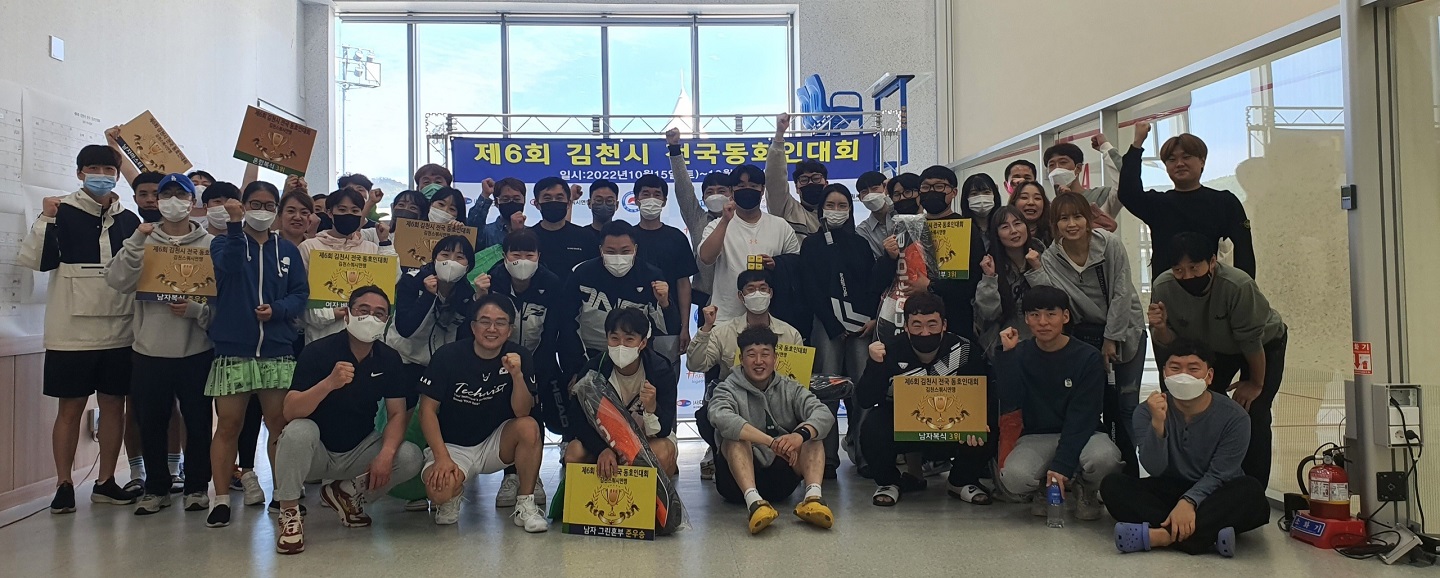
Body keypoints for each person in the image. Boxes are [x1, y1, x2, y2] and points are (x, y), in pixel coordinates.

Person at [18, 144, 143, 513]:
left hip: (120, 331)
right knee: (69, 409)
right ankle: (64, 484)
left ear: (117, 175)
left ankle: (106, 481)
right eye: (93, 168)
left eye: (109, 169)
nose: (101, 175)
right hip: (69, 333)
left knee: (114, 407)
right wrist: (46, 218)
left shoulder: (129, 220)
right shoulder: (61, 212)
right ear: (79, 173)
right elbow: (37, 262)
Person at [271, 286, 423, 554]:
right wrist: (328, 383)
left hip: (359, 449)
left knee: (410, 456)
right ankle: (289, 512)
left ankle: (347, 492)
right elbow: (290, 411)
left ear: (386, 320)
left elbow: (397, 413)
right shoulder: (318, 351)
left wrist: (386, 454)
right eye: (363, 310)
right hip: (315, 452)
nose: (370, 318)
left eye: (379, 313)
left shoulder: (389, 358)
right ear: (348, 314)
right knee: (298, 430)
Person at [105, 173, 217, 515]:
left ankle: (197, 486)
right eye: (165, 195)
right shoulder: (143, 239)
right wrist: (137, 240)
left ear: (192, 202)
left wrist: (198, 311)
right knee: (150, 422)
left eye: (180, 195)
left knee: (198, 422)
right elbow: (118, 280)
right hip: (149, 350)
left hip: (197, 350)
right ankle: (156, 488)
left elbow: (223, 298)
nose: (172, 202)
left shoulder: (210, 244)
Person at [204, 181, 309, 528]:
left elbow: (300, 293)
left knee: (279, 424)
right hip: (234, 349)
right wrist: (235, 226)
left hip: (277, 350)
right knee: (228, 425)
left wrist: (277, 310)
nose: (261, 211)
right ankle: (220, 498)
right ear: (243, 205)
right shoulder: (223, 242)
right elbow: (230, 267)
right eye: (255, 204)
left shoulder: (288, 250)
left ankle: (283, 493)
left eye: (268, 205)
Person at [1104, 340, 1268, 557]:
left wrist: (1189, 501)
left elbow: (1221, 473)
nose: (1183, 375)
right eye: (1175, 368)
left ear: (1209, 376)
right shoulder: (1146, 412)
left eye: (1193, 369)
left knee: (1251, 492)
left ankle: (1162, 536)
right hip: (1170, 485)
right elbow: (1154, 468)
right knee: (1113, 485)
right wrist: (1158, 425)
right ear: (1164, 373)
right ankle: (1207, 535)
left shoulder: (1235, 417)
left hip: (1215, 491)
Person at [1148, 232, 1286, 484]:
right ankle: (1205, 482)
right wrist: (1160, 328)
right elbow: (1175, 345)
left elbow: (1251, 341)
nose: (1187, 276)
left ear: (1212, 262)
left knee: (1253, 410)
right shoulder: (1163, 287)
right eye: (1178, 270)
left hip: (1261, 345)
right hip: (1210, 349)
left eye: (1194, 267)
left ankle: (1252, 489)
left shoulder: (1237, 285)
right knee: (1199, 408)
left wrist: (1255, 384)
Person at [1038, 193, 1147, 476]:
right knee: (1093, 404)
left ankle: (1129, 472)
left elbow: (1122, 292)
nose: (1072, 224)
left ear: (1088, 219)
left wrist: (1112, 338)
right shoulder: (1050, 258)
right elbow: (1059, 301)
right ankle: (1100, 472)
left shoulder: (1109, 244)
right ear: (1054, 224)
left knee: (1126, 405)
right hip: (1085, 338)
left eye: (1078, 217)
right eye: (1064, 218)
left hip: (1126, 329)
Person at [418, 295, 548, 531]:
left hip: (495, 444)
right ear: (473, 326)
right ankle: (453, 495)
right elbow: (427, 411)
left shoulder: (520, 356)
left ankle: (525, 504)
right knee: (439, 492)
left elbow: (521, 411)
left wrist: (517, 375)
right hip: (453, 447)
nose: (492, 329)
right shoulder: (448, 356)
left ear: (510, 330)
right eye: (485, 321)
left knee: (529, 426)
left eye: (500, 323)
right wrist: (442, 457)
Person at [995, 286, 1123, 521]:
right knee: (1014, 476)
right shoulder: (1019, 353)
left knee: (1105, 459)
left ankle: (1086, 488)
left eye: (1051, 314)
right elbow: (1010, 399)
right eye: (1035, 315)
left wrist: (1062, 465)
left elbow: (1082, 416)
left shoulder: (1087, 357)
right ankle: (1043, 489)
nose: (1043, 322)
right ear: (1026, 319)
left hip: (1086, 433)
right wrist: (1008, 355)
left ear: (1065, 316)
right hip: (1037, 435)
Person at [858, 293, 992, 506]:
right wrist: (875, 365)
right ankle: (889, 482)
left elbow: (983, 394)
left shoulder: (965, 350)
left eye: (932, 324)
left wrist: (978, 420)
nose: (925, 332)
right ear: (906, 326)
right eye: (917, 325)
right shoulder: (889, 350)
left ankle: (960, 481)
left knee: (989, 425)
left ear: (944, 324)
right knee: (872, 426)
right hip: (904, 428)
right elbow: (865, 399)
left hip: (952, 425)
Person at [706, 326, 835, 534]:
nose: (759, 361)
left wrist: (798, 435)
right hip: (736, 486)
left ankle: (813, 498)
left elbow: (823, 413)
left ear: (775, 358)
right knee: (734, 438)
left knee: (812, 434)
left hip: (782, 477)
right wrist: (771, 442)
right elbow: (720, 417)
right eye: (751, 355)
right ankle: (755, 504)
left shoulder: (790, 387)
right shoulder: (726, 388)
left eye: (765, 354)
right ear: (741, 359)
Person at [1118, 121, 1255, 281]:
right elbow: (1128, 193)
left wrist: (1244, 288)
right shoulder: (1158, 204)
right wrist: (1137, 145)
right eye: (1171, 159)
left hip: (1213, 290)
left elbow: (1244, 251)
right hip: (1167, 291)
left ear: (1202, 161)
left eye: (1186, 157)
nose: (1179, 164)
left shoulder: (1224, 202)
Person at [564, 308, 680, 476]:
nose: (621, 345)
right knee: (574, 453)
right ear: (607, 339)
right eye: (614, 338)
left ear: (643, 343)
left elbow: (664, 430)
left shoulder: (660, 370)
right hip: (605, 441)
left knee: (662, 452)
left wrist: (652, 408)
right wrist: (601, 449)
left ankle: (652, 494)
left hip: (647, 440)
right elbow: (577, 420)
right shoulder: (593, 371)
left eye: (629, 339)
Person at [554, 220, 670, 383]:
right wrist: (575, 369)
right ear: (601, 250)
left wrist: (665, 303)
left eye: (625, 251)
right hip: (589, 356)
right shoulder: (581, 273)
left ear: (635, 249)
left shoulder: (651, 276)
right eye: (611, 251)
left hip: (635, 358)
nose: (618, 257)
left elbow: (666, 327)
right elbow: (567, 323)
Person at [697, 164, 801, 323]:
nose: (747, 190)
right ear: (731, 191)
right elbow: (706, 258)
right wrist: (725, 220)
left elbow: (796, 264)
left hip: (771, 319)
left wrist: (777, 264)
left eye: (753, 186)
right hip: (726, 318)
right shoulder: (716, 225)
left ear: (762, 190)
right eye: (741, 186)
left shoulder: (780, 226)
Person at [297, 188, 396, 343]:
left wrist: (385, 243)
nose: (348, 214)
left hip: (365, 339)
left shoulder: (371, 248)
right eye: (342, 210)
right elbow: (301, 298)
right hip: (322, 339)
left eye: (355, 210)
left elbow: (391, 280)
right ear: (330, 213)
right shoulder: (309, 247)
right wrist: (331, 314)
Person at [686, 270, 805, 381]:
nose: (757, 294)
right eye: (751, 289)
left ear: (770, 293)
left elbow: (798, 380)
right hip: (733, 394)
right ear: (741, 296)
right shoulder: (722, 333)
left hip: (779, 395)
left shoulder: (791, 335)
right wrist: (706, 328)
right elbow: (696, 365)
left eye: (763, 289)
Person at [631, 173, 699, 367]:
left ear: (664, 201)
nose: (651, 199)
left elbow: (683, 284)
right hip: (631, 323)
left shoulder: (676, 237)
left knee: (666, 377)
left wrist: (684, 327)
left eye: (657, 194)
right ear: (636, 200)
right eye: (646, 194)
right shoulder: (628, 238)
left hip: (669, 323)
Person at [975, 206, 1047, 360]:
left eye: (1018, 223)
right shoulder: (990, 264)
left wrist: (1037, 269)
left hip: (1042, 345)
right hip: (1003, 348)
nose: (1014, 231)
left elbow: (1051, 302)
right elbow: (988, 314)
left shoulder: (1044, 257)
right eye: (1005, 227)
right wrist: (989, 278)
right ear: (996, 234)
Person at [665, 127, 724, 310]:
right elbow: (684, 189)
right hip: (705, 298)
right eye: (710, 192)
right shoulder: (698, 218)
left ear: (732, 193)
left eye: (721, 191)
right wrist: (675, 149)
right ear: (703, 198)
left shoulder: (742, 220)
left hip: (737, 297)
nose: (715, 195)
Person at [1042, 136, 1125, 232]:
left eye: (1063, 162)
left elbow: (1125, 181)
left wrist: (1105, 147)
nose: (1057, 168)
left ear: (1078, 168)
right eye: (1051, 165)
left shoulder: (1101, 196)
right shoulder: (1049, 208)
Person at [530, 176, 599, 285]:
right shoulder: (528, 238)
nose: (554, 202)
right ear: (537, 204)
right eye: (547, 198)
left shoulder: (586, 237)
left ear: (568, 203)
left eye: (559, 198)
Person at [764, 113, 823, 239]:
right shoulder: (788, 209)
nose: (811, 183)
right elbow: (775, 181)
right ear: (796, 187)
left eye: (816, 178)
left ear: (826, 183)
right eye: (804, 180)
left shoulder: (837, 212)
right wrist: (779, 136)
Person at [466, 177, 528, 248]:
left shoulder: (533, 233)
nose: (511, 202)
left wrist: (519, 232)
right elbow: (472, 226)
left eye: (516, 199)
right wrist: (485, 195)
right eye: (505, 199)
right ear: (496, 202)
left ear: (524, 201)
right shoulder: (486, 233)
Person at [853, 171, 893, 258]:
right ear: (860, 198)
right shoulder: (862, 231)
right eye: (864, 192)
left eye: (875, 189)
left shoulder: (900, 215)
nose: (870, 195)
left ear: (885, 189)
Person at [1008, 181, 1052, 245]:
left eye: (1037, 198)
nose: (1031, 202)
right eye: (1024, 197)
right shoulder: (1004, 233)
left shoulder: (1054, 233)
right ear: (1014, 202)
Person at [959, 173, 1001, 239]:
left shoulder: (1003, 225)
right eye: (974, 194)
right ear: (966, 198)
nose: (981, 197)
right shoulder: (960, 228)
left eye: (986, 192)